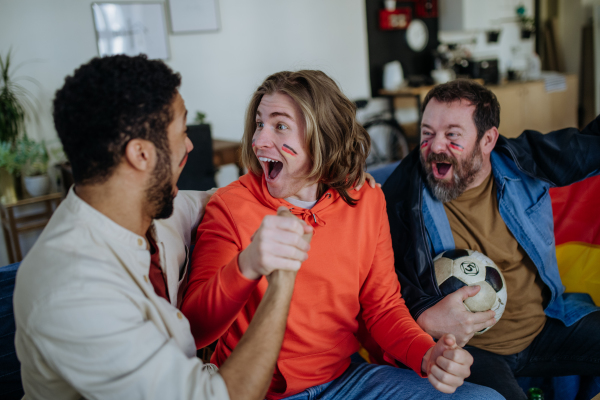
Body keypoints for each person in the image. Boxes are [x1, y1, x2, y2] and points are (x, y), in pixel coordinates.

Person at [181, 70, 503, 400]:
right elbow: (194, 330)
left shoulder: (366, 199)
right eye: (259, 124)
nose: (259, 141)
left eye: (279, 126)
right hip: (260, 390)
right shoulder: (230, 207)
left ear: (323, 134)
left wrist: (427, 355)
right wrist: (247, 264)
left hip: (348, 380)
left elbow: (383, 308)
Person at [13, 54, 312, 400]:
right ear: (140, 155)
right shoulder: (73, 291)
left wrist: (324, 182)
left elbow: (223, 199)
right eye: (182, 131)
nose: (189, 145)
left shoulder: (148, 211)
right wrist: (282, 283)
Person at [382, 79, 600, 399]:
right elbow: (377, 288)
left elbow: (592, 143)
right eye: (427, 134)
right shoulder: (400, 199)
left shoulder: (525, 160)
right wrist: (422, 317)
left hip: (548, 324)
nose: (435, 147)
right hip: (471, 353)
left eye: (452, 135)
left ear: (488, 140)